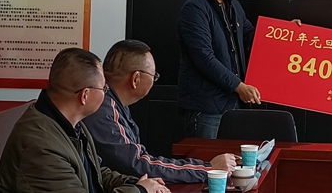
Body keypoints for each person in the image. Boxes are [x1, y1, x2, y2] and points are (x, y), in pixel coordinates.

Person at [0, 47, 169, 193]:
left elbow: (96, 173)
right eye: (104, 88)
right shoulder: (42, 146)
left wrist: (137, 183)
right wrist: (140, 190)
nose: (106, 93)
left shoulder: (69, 122)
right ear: (85, 95)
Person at [83, 39, 238, 183]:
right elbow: (138, 164)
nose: (154, 80)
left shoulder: (113, 103)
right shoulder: (103, 109)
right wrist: (208, 169)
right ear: (136, 79)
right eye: (154, 76)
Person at [177, 0, 260, 139]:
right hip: (207, 107)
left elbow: (252, 37)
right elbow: (204, 58)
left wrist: (285, 33)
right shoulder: (194, 9)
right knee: (207, 158)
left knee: (233, 157)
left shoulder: (234, 5)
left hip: (234, 104)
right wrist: (239, 86)